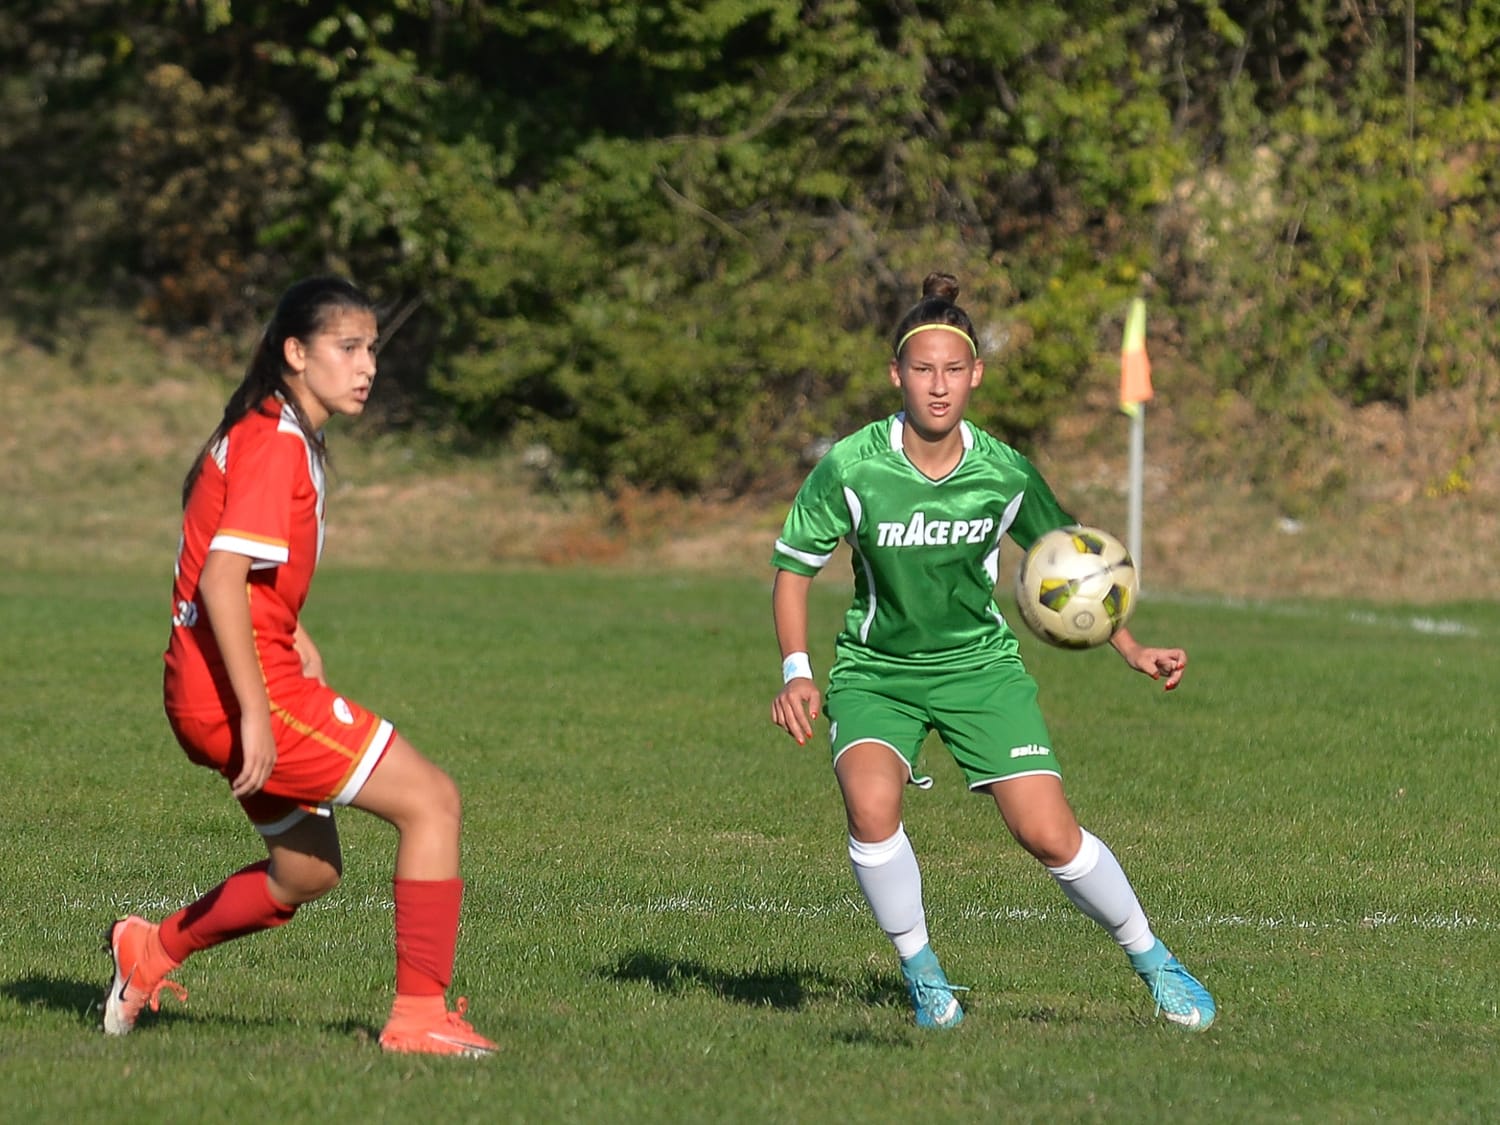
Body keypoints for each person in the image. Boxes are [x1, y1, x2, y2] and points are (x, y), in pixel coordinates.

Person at [769, 272, 1215, 1032]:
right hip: (878, 673)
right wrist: (798, 672)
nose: (937, 387)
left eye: (952, 370)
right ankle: (924, 975)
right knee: (871, 809)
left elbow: (1079, 567)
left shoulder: (1003, 471)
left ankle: (1154, 959)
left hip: (980, 669)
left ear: (975, 373)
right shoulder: (852, 465)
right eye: (921, 369)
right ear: (896, 375)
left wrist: (1130, 646)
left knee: (1049, 833)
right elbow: (793, 570)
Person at [102, 276, 496, 1057]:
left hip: (209, 685)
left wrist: (293, 628)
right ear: (294, 352)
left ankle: (149, 949)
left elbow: (239, 573)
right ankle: (419, 1017)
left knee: (307, 870)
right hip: (239, 691)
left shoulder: (274, 429)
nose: (367, 366)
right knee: (432, 802)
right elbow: (220, 576)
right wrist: (256, 711)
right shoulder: (275, 439)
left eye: (372, 349)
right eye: (347, 348)